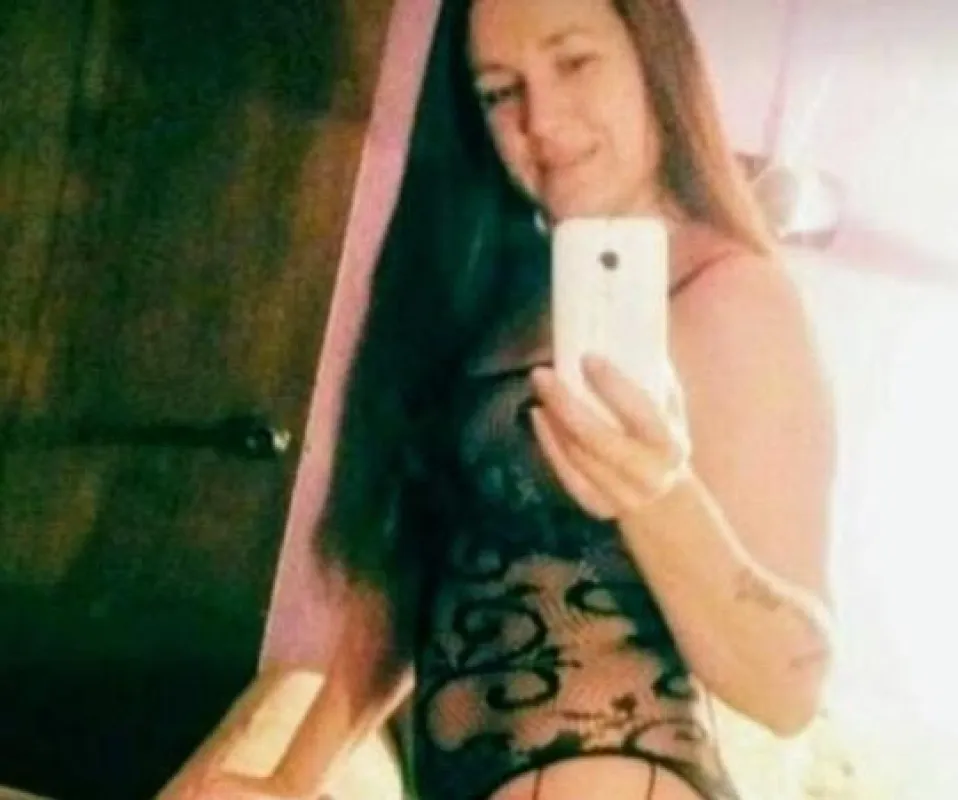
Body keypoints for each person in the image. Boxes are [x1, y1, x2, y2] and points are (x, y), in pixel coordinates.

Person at [170, 0, 836, 797]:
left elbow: (789, 688)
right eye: (498, 91)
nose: (540, 121)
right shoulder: (496, 299)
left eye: (574, 62)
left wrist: (659, 494)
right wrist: (291, 782)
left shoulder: (731, 298)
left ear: (655, 62)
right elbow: (410, 589)